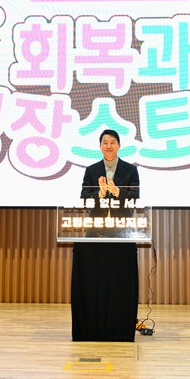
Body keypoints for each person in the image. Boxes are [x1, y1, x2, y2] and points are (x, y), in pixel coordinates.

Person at [72, 129, 140, 342]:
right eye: (105, 142)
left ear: (119, 146)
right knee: (94, 282)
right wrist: (100, 193)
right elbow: (84, 197)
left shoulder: (130, 170)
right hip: (96, 232)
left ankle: (119, 327)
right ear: (100, 146)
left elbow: (136, 197)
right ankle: (92, 327)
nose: (108, 146)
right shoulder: (91, 170)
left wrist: (117, 191)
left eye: (112, 142)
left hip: (122, 232)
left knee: (120, 284)